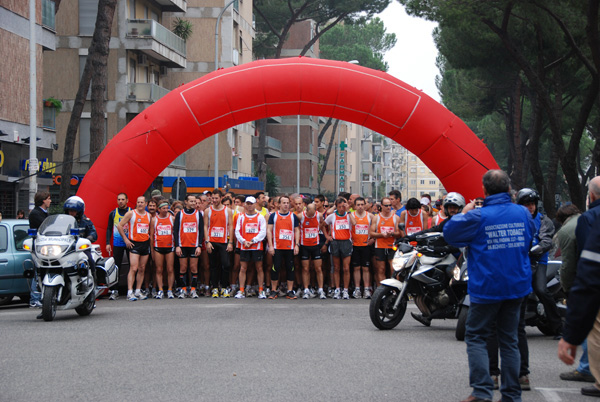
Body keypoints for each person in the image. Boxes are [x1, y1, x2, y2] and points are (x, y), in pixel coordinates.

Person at [443, 169, 535, 402]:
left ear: (484, 191)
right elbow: (529, 237)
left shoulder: (477, 217)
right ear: (508, 189)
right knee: (509, 339)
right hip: (516, 286)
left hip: (487, 287)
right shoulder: (523, 213)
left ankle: (483, 391)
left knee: (475, 336)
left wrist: (463, 213)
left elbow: (450, 234)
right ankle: (512, 394)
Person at [560, 176, 600, 386]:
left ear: (591, 196)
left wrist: (571, 336)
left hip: (593, 284)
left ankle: (587, 370)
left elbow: (588, 258)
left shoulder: (589, 218)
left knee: (594, 331)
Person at [516, 188, 560, 337]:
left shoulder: (543, 220)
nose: (531, 207)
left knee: (541, 290)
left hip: (538, 261)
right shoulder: (516, 219)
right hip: (520, 262)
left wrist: (537, 249)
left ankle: (559, 327)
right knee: (518, 293)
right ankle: (516, 326)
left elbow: (547, 240)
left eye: (532, 204)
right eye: (527, 204)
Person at [117, 196, 151, 301]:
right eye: (138, 202)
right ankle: (129, 292)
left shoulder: (149, 215)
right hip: (134, 244)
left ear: (145, 204)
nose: (140, 204)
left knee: (142, 268)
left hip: (145, 244)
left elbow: (150, 230)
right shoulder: (131, 213)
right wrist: (126, 240)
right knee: (133, 268)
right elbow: (119, 226)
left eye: (142, 202)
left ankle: (138, 290)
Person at [267, 195, 300, 299]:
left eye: (287, 203)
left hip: (289, 247)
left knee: (290, 268)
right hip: (277, 246)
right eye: (284, 203)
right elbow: (269, 230)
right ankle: (273, 290)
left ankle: (290, 291)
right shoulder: (274, 216)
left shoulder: (293, 216)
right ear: (279, 204)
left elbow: (297, 230)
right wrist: (271, 246)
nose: (286, 205)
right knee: (275, 267)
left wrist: (296, 244)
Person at [234, 196, 267, 299]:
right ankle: (241, 290)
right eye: (248, 203)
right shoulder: (241, 217)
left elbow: (263, 232)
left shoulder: (260, 217)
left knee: (259, 268)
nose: (249, 206)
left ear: (254, 204)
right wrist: (244, 241)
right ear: (245, 205)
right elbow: (237, 231)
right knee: (243, 268)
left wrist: (253, 241)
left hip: (256, 246)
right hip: (244, 246)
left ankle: (261, 290)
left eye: (251, 203)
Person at [322, 197, 355, 299]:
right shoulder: (332, 216)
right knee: (336, 267)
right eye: (339, 207)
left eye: (343, 206)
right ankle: (337, 289)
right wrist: (327, 236)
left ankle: (345, 290)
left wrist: (348, 211)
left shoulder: (349, 215)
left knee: (346, 268)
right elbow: (323, 225)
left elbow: (354, 223)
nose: (341, 209)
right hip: (335, 242)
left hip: (346, 242)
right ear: (336, 207)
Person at [204, 189, 234, 298]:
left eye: (217, 198)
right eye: (213, 198)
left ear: (221, 198)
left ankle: (225, 287)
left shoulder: (228, 211)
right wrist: (207, 241)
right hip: (212, 242)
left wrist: (230, 242)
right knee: (213, 265)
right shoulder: (208, 211)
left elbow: (231, 226)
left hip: (224, 241)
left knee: (226, 264)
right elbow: (205, 226)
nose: (215, 200)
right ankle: (215, 287)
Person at [174, 195, 204, 298]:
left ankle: (193, 289)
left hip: (194, 245)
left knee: (193, 268)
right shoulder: (180, 214)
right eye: (191, 201)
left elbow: (201, 231)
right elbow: (176, 230)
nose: (193, 203)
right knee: (183, 268)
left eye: (194, 201)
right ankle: (183, 289)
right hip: (182, 245)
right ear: (185, 202)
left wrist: (199, 245)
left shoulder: (198, 214)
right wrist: (177, 246)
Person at [369, 197, 401, 288]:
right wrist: (381, 235)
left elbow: (399, 233)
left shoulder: (396, 218)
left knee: (393, 269)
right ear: (381, 206)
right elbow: (371, 233)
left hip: (392, 246)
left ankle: (394, 289)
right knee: (381, 269)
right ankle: (381, 290)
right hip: (380, 246)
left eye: (390, 205)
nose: (388, 207)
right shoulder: (376, 218)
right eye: (386, 205)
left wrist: (391, 234)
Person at [28, 191, 51, 308]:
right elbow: (46, 227)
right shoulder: (36, 214)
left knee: (43, 271)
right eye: (48, 198)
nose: (50, 201)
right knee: (38, 271)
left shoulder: (45, 213)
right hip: (38, 247)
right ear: (43, 200)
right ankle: (34, 298)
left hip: (46, 247)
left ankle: (43, 296)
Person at [105, 193, 131, 300]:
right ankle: (115, 290)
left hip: (130, 242)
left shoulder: (131, 212)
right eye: (119, 199)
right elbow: (109, 228)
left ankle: (132, 289)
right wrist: (107, 243)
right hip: (117, 243)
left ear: (127, 200)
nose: (121, 201)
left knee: (133, 266)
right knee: (117, 267)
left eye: (123, 199)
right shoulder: (113, 213)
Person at [298, 203, 325, 299]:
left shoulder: (319, 215)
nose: (312, 215)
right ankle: (306, 289)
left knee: (318, 268)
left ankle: (321, 290)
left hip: (315, 245)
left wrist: (322, 233)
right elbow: (296, 228)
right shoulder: (301, 216)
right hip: (304, 245)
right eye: (310, 214)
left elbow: (323, 224)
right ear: (307, 211)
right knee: (305, 268)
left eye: (313, 213)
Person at [149, 200, 175, 299]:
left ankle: (169, 290)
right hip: (158, 247)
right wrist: (152, 250)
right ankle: (160, 290)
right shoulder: (154, 220)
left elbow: (175, 233)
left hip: (169, 247)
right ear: (158, 209)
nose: (165, 210)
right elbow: (151, 236)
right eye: (163, 208)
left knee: (170, 269)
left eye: (167, 208)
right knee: (159, 269)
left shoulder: (172, 218)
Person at [350, 197, 373, 299]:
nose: (360, 207)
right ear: (355, 206)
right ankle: (357, 289)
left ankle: (367, 289)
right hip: (355, 245)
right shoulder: (352, 216)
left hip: (365, 245)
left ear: (365, 205)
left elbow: (376, 228)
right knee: (356, 268)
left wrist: (373, 239)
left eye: (362, 204)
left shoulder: (370, 216)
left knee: (366, 268)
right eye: (358, 205)